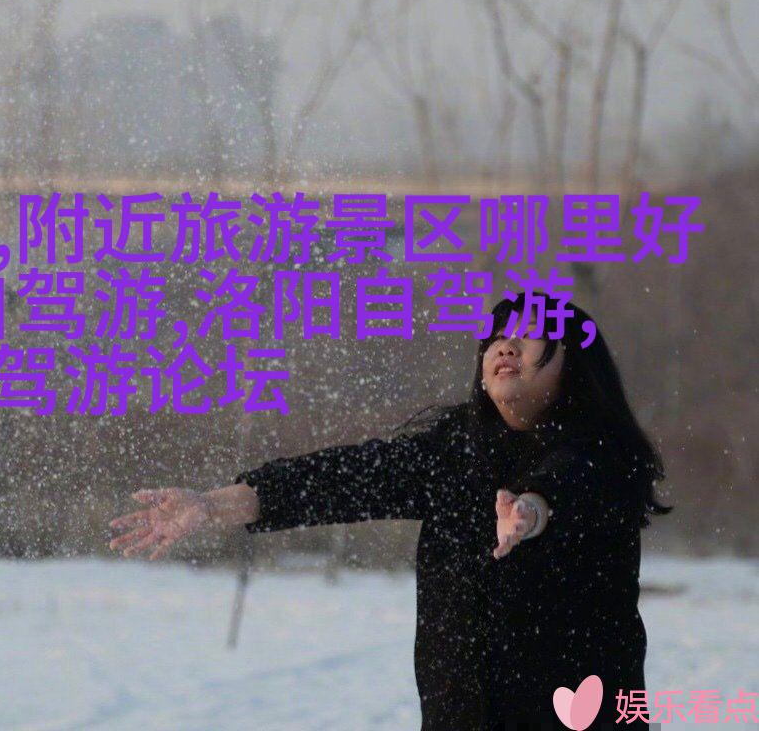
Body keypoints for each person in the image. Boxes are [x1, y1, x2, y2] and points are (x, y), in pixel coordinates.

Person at [109, 292, 671, 730]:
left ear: (575, 365)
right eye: (497, 337)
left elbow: (572, 484)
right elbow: (341, 479)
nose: (506, 346)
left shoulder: (606, 455)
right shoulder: (452, 454)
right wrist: (213, 505)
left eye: (528, 336)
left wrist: (531, 509)